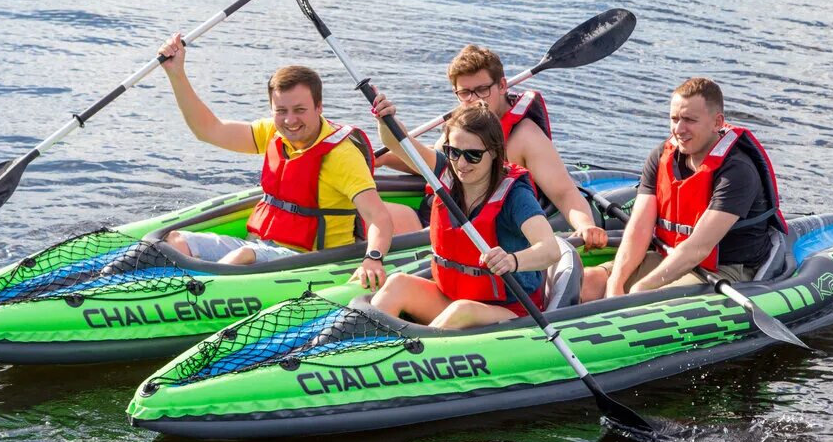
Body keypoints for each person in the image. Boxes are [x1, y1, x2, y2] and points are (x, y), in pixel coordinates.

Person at [156, 33, 393, 291]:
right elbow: (209, 130)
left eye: (299, 110)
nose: (290, 120)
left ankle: (189, 294)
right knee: (176, 241)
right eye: (281, 111)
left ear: (319, 107)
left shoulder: (341, 155)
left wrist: (373, 258)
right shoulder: (273, 132)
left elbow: (378, 217)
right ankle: (172, 289)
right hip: (260, 245)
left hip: (308, 259)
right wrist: (176, 74)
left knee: (244, 256)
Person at [378, 45, 607, 249]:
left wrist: (586, 226)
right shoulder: (462, 124)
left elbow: (564, 192)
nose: (474, 100)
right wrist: (381, 159)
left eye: (482, 90)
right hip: (439, 214)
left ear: (502, 85)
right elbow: (433, 163)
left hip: (477, 229)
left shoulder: (525, 137)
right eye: (465, 93)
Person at [580, 77, 787, 301]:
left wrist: (641, 288)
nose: (679, 129)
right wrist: (616, 282)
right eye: (674, 118)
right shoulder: (661, 156)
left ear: (717, 123)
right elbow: (639, 228)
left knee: (645, 301)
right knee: (589, 283)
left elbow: (698, 248)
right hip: (668, 255)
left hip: (719, 270)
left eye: (689, 120)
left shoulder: (737, 171)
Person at [369, 94, 566, 329]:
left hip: (508, 310)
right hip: (452, 296)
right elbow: (398, 143)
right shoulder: (445, 173)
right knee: (397, 284)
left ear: (493, 152)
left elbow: (550, 249)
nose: (461, 164)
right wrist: (384, 119)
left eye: (473, 155)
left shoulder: (515, 196)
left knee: (462, 310)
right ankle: (358, 350)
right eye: (454, 152)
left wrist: (512, 260)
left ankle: (407, 358)